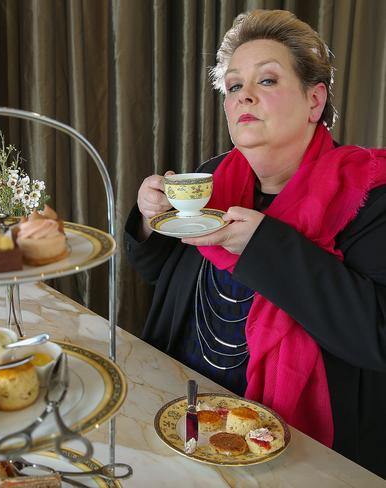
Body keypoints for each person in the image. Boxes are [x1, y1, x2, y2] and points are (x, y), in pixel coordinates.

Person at [125, 9, 386, 478]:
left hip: (300, 446)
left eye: (267, 80)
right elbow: (158, 273)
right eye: (233, 86)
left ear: (314, 100)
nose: (243, 94)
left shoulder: (370, 197)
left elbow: (378, 335)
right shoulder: (210, 178)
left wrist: (265, 247)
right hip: (181, 405)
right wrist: (148, 221)